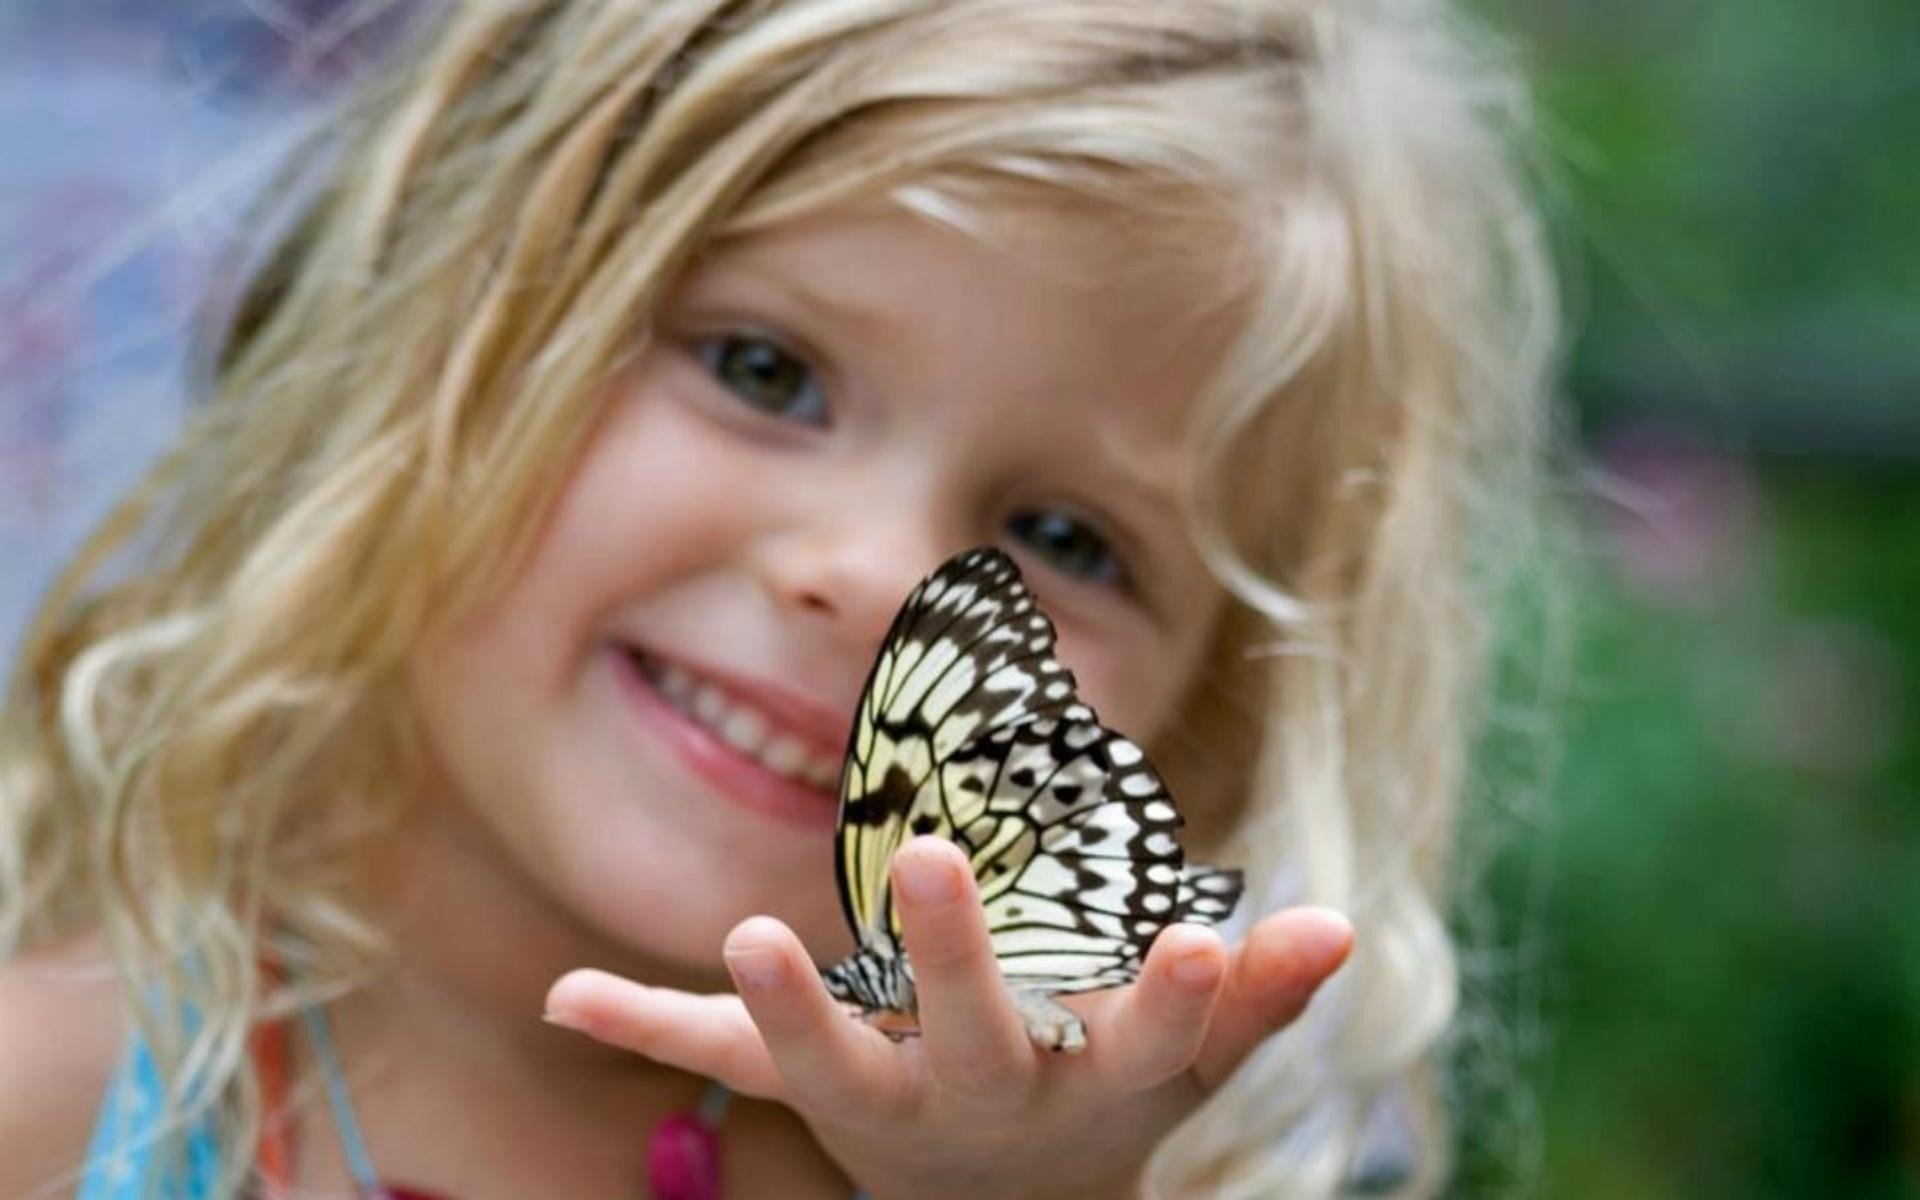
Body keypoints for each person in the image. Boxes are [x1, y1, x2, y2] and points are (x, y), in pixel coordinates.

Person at [0, 0, 1557, 1195]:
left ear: (1203, 724)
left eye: (1066, 537)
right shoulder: (66, 1098)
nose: (879, 575)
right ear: (453, 326)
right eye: (766, 372)